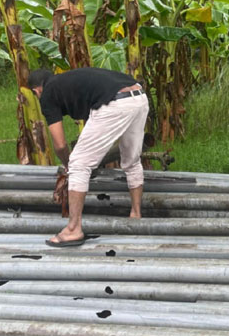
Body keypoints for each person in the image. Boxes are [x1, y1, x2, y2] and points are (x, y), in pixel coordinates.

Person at [28, 67, 149, 247]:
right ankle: (136, 214)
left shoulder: (48, 93)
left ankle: (73, 229)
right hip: (139, 97)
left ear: (36, 90)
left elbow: (60, 145)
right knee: (132, 161)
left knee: (78, 164)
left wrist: (68, 165)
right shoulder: (69, 82)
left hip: (115, 102)